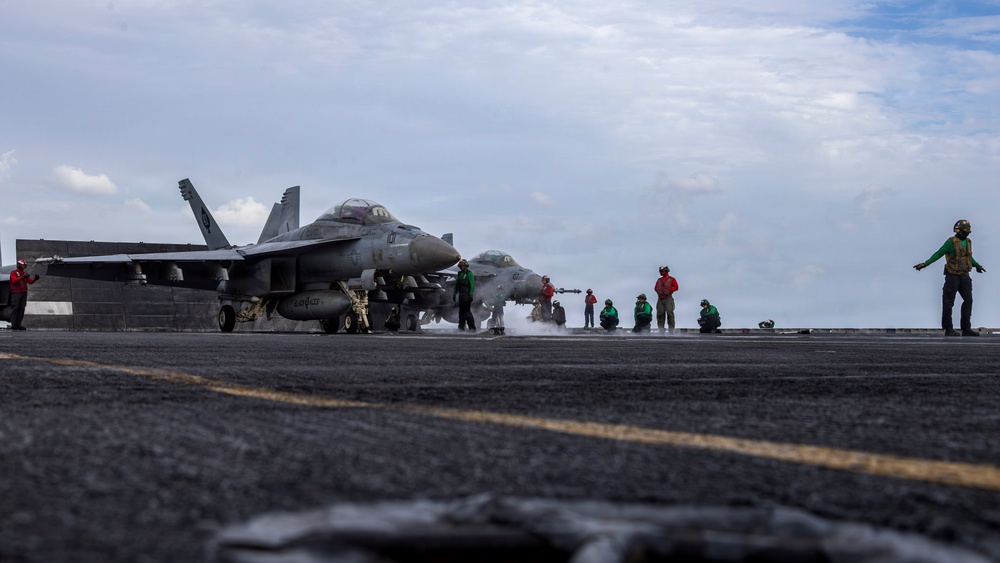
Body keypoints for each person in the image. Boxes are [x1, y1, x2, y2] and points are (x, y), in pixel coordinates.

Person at [914, 219, 986, 336]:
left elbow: (968, 257)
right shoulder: (951, 242)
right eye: (966, 230)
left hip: (964, 276)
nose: (967, 232)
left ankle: (966, 328)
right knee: (948, 302)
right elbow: (939, 253)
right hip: (952, 275)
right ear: (960, 230)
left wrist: (977, 266)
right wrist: (926, 263)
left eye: (968, 230)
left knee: (968, 300)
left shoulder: (968, 242)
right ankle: (948, 329)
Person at [9, 259, 39, 331]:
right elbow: (13, 281)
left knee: (21, 309)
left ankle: (18, 324)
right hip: (16, 293)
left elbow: (30, 281)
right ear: (19, 265)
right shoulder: (14, 272)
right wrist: (22, 277)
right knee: (15, 308)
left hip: (23, 293)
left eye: (24, 265)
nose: (23, 267)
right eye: (22, 265)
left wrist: (35, 279)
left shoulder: (24, 274)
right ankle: (13, 324)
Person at [654, 265, 679, 333]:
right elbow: (655, 288)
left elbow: (676, 287)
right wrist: (659, 291)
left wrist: (670, 290)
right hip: (660, 299)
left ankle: (671, 329)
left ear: (666, 271)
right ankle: (661, 329)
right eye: (660, 271)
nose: (661, 272)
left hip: (668, 299)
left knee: (670, 313)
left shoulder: (672, 279)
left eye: (662, 271)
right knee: (660, 314)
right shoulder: (659, 280)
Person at [453, 259, 477, 331]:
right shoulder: (459, 273)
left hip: (466, 295)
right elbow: (456, 285)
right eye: (460, 266)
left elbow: (472, 285)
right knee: (461, 312)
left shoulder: (469, 273)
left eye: (462, 266)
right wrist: (454, 293)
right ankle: (461, 328)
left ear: (466, 265)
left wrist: (470, 295)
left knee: (467, 312)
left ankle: (472, 328)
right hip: (461, 295)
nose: (461, 267)